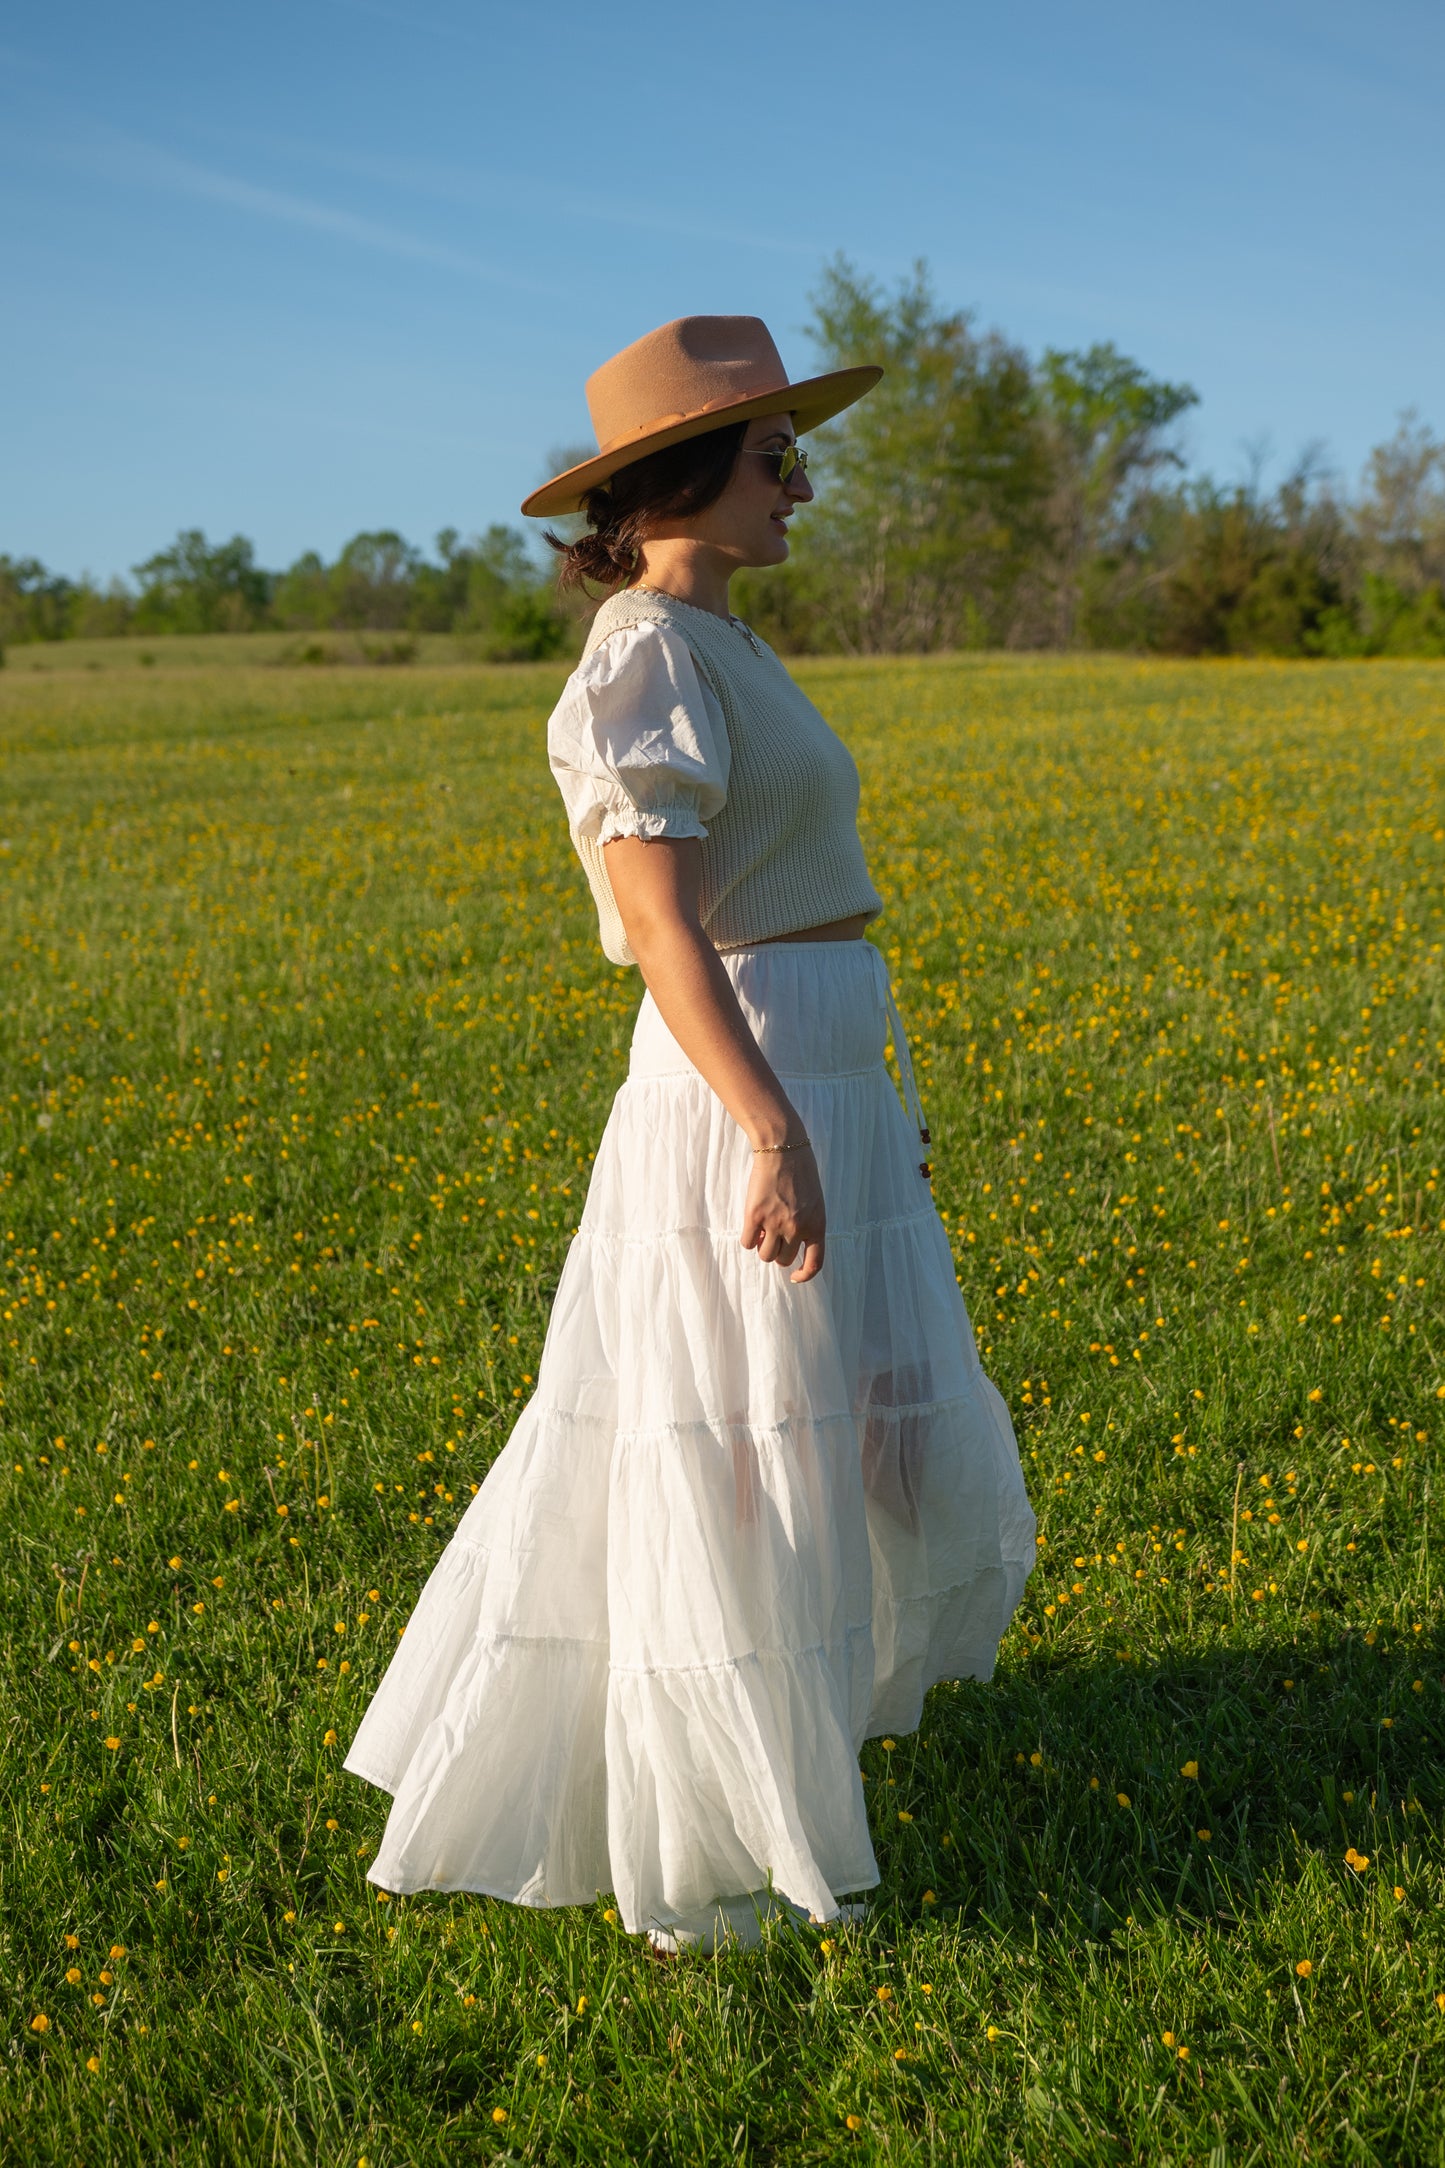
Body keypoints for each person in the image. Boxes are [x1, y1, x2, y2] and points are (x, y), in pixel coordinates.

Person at [345, 315, 1036, 1954]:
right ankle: (708, 1861)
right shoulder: (644, 652)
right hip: (749, 1076)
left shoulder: (728, 642)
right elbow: (659, 922)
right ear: (680, 480)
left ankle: (784, 1770)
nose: (804, 482)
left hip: (821, 1068)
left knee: (841, 1442)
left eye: (799, 452)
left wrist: (873, 1117)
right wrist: (769, 1127)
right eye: (774, 456)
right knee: (740, 1461)